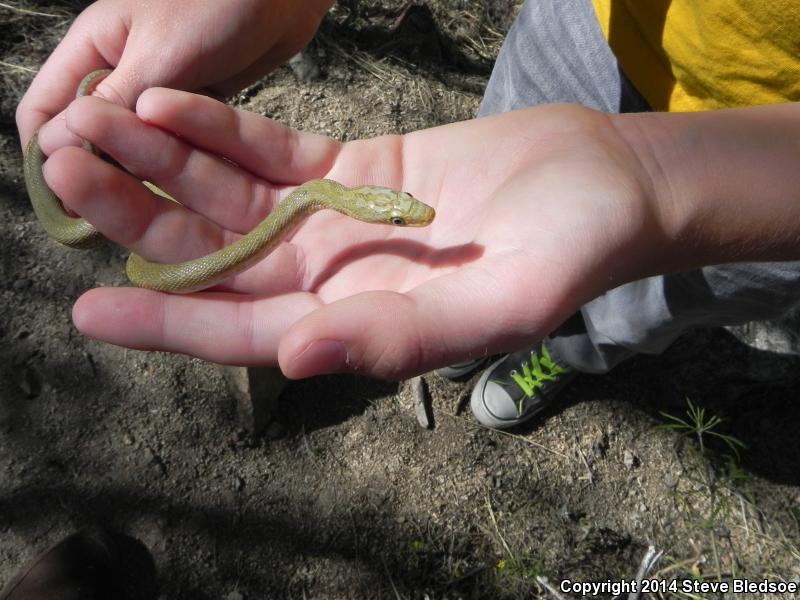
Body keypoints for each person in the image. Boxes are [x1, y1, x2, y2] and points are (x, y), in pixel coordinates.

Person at [16, 0, 800, 435]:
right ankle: (485, 331)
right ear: (373, 212)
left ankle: (564, 351)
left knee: (645, 295)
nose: (407, 214)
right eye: (398, 213)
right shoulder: (332, 195)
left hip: (765, 186)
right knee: (513, 170)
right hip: (592, 23)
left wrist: (658, 182)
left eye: (398, 214)